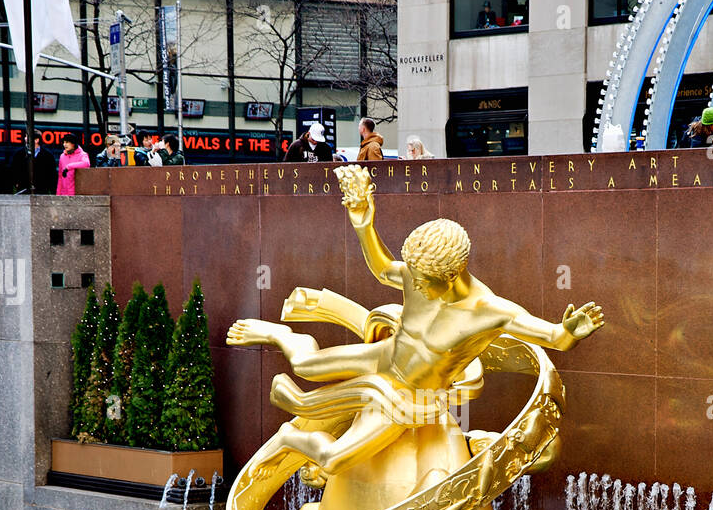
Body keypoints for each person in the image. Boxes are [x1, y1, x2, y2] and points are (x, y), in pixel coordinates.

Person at [226, 165, 604, 481]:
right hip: (384, 356)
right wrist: (364, 224)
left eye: (424, 280)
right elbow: (382, 268)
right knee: (304, 363)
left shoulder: (489, 311)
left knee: (333, 461)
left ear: (454, 274)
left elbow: (553, 338)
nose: (413, 283)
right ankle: (282, 334)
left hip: (409, 398)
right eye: (415, 275)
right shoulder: (417, 275)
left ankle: (294, 438)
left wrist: (569, 332)